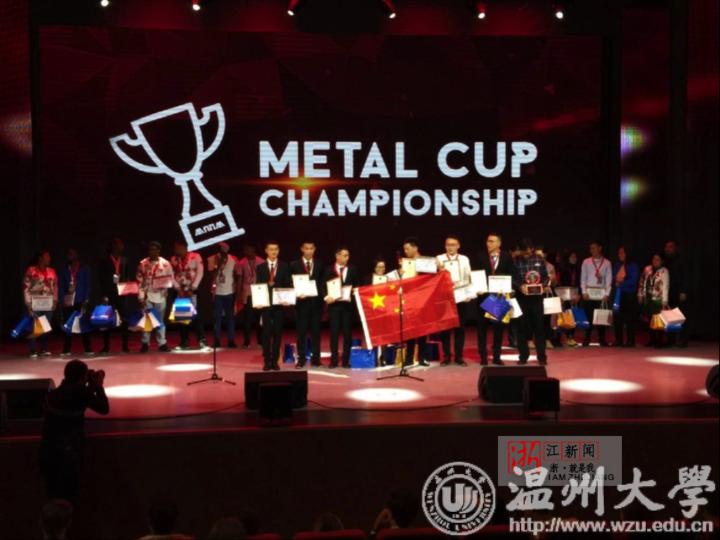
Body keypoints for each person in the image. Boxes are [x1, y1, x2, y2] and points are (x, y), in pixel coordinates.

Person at [39, 360, 109, 502]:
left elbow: (72, 397)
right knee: (70, 495)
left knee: (53, 495)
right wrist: (99, 386)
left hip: (48, 451)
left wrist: (88, 386)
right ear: (82, 377)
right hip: (70, 452)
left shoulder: (54, 393)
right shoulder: (81, 392)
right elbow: (103, 408)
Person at [474, 233, 515, 365]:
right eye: (488, 241)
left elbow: (511, 275)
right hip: (484, 296)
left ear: (499, 243)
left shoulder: (507, 257)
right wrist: (477, 288)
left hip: (499, 297)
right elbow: (475, 274)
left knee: (498, 329)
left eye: (492, 241)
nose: (489, 244)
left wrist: (508, 288)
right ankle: (483, 357)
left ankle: (497, 356)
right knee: (482, 328)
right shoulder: (480, 256)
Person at [436, 235, 471, 366]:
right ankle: (446, 356)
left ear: (458, 246)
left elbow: (468, 277)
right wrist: (438, 269)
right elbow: (434, 277)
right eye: (448, 245)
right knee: (445, 328)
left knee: (460, 328)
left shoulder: (464, 259)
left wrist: (468, 294)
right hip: (445, 297)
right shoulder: (439, 258)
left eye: (453, 245)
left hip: (460, 296)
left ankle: (459, 357)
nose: (450, 247)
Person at [255, 241, 291, 371]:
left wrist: (287, 299)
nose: (273, 252)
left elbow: (287, 284)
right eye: (271, 249)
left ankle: (275, 361)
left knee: (277, 334)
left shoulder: (284, 266)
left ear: (279, 250)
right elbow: (258, 286)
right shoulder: (260, 267)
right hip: (265, 305)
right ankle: (266, 361)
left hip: (279, 305)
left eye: (276, 249)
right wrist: (258, 301)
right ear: (266, 251)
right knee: (266, 334)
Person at [513, 238, 549, 365]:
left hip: (537, 298)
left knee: (539, 328)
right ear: (520, 250)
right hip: (522, 298)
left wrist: (543, 286)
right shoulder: (515, 261)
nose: (526, 254)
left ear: (532, 249)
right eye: (524, 252)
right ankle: (523, 356)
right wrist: (519, 286)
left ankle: (542, 357)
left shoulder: (539, 259)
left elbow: (545, 277)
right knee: (521, 328)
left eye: (528, 251)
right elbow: (512, 278)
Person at [290, 241, 325, 368]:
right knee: (301, 333)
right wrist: (296, 294)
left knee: (316, 333)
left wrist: (323, 298)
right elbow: (290, 283)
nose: (309, 251)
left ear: (314, 249)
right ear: (302, 249)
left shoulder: (320, 264)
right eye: (306, 248)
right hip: (301, 304)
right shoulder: (294, 265)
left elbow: (322, 283)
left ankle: (316, 359)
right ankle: (301, 359)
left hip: (316, 304)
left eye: (311, 248)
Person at [323, 246, 359, 368]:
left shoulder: (353, 269)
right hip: (334, 307)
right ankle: (333, 360)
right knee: (334, 334)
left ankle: (345, 361)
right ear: (337, 256)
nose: (347, 258)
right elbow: (322, 286)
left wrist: (353, 292)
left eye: (348, 256)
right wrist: (326, 297)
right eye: (344, 255)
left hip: (347, 307)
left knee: (347, 334)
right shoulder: (329, 270)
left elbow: (357, 285)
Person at [136, 241, 174, 353]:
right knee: (147, 320)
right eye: (150, 249)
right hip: (147, 295)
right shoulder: (143, 263)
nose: (151, 252)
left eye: (154, 249)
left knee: (159, 320)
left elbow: (171, 278)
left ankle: (162, 343)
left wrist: (165, 286)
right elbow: (139, 280)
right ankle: (145, 343)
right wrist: (141, 296)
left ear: (158, 251)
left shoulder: (166, 263)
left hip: (160, 296)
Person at [170, 240, 208, 351]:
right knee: (182, 318)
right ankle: (184, 342)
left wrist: (193, 288)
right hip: (180, 291)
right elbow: (171, 275)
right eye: (175, 248)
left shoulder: (195, 256)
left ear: (184, 247)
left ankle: (202, 340)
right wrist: (178, 288)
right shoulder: (174, 259)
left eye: (177, 248)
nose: (175, 250)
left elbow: (200, 273)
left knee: (196, 317)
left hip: (192, 290)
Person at [98, 238, 133, 353]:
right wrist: (103, 295)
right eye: (120, 244)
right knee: (106, 319)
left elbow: (127, 276)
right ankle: (106, 346)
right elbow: (101, 278)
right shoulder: (105, 260)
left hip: (121, 293)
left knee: (125, 319)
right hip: (109, 293)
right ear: (114, 246)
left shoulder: (125, 260)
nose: (122, 246)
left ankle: (125, 345)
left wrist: (127, 290)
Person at [399, 237, 430, 367]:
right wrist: (401, 273)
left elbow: (430, 278)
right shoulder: (405, 263)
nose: (405, 251)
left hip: (422, 299)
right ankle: (409, 358)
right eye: (404, 249)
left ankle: (422, 357)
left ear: (415, 248)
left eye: (407, 249)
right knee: (409, 329)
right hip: (409, 299)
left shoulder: (425, 262)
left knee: (422, 330)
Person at [58, 248, 93, 357]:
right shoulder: (64, 270)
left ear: (76, 255)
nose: (69, 256)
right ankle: (66, 349)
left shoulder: (84, 269)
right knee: (68, 324)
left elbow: (87, 285)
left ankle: (88, 348)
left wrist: (86, 299)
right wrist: (62, 299)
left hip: (81, 299)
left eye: (71, 254)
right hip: (69, 301)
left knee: (84, 324)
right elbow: (61, 286)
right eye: (68, 254)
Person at [23, 249, 58, 358]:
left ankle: (44, 348)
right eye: (47, 256)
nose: (49, 259)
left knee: (45, 326)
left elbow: (55, 287)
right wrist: (28, 303)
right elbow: (26, 287)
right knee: (35, 325)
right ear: (40, 258)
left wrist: (55, 300)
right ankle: (33, 349)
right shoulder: (31, 270)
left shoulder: (51, 271)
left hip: (47, 302)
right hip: (35, 302)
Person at [207, 242, 241, 348]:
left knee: (230, 317)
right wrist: (218, 265)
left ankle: (231, 340)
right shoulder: (211, 259)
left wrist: (237, 290)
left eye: (225, 250)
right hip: (217, 292)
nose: (223, 252)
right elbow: (211, 276)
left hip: (230, 292)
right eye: (221, 250)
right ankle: (217, 340)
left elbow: (237, 274)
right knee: (217, 318)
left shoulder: (234, 259)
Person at [580, 241, 612, 347]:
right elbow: (583, 278)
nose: (592, 250)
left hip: (601, 294)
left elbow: (609, 279)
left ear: (600, 248)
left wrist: (607, 293)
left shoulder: (607, 263)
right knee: (588, 316)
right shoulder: (586, 262)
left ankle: (602, 339)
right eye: (591, 248)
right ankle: (587, 338)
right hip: (589, 294)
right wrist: (584, 292)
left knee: (601, 317)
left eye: (594, 248)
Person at [638, 252, 670, 348]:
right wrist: (640, 294)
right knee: (649, 320)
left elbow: (666, 287)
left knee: (658, 321)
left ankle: (659, 341)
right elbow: (641, 281)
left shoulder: (664, 271)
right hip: (648, 298)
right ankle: (652, 340)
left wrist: (664, 302)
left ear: (662, 261)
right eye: (654, 259)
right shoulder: (647, 269)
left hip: (658, 299)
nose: (655, 261)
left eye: (657, 259)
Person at [237, 244, 264, 348]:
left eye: (248, 249)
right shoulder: (241, 262)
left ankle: (260, 341)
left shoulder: (261, 261)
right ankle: (246, 342)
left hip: (259, 292)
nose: (246, 252)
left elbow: (265, 278)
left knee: (259, 319)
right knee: (247, 319)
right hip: (247, 292)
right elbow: (239, 279)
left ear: (254, 249)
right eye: (245, 250)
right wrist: (238, 293)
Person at [612, 246, 640, 347]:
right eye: (619, 253)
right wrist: (617, 282)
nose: (620, 255)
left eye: (622, 253)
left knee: (629, 318)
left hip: (629, 294)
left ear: (627, 254)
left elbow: (633, 281)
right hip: (618, 295)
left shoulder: (633, 265)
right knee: (617, 317)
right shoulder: (617, 265)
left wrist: (621, 284)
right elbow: (613, 277)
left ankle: (630, 340)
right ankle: (618, 340)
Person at [664, 240, 689, 347]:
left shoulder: (681, 260)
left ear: (675, 248)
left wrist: (683, 291)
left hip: (679, 291)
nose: (668, 249)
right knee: (670, 315)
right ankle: (671, 340)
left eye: (670, 247)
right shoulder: (665, 261)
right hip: (669, 292)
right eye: (666, 247)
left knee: (681, 316)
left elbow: (685, 276)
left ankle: (682, 340)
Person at [557, 250, 580, 347]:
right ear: (567, 258)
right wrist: (561, 296)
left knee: (572, 317)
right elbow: (559, 283)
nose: (574, 259)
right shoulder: (562, 268)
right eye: (572, 257)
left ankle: (571, 338)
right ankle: (561, 338)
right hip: (564, 296)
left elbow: (579, 283)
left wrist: (579, 295)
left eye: (575, 257)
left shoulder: (578, 269)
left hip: (574, 296)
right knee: (563, 317)